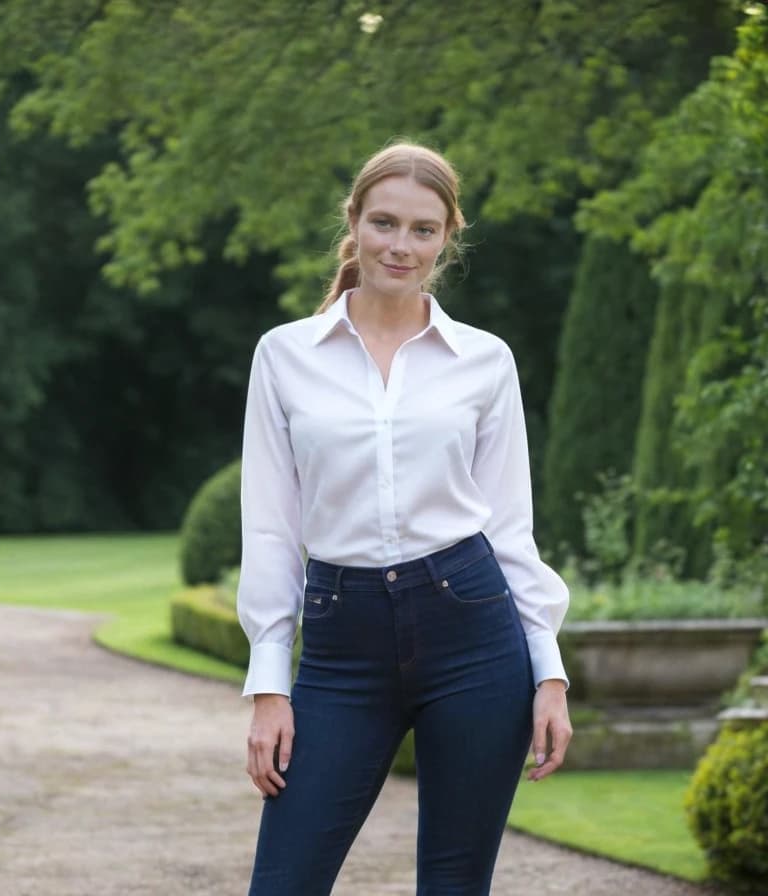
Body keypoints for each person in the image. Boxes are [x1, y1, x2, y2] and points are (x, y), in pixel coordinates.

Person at [236, 141, 572, 896]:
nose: (401, 245)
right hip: (341, 641)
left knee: (455, 884)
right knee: (283, 882)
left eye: (424, 229)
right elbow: (270, 526)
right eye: (384, 222)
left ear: (448, 236)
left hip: (474, 634)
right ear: (353, 222)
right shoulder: (284, 356)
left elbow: (510, 527)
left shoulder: (484, 361)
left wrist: (547, 670)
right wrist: (268, 684)